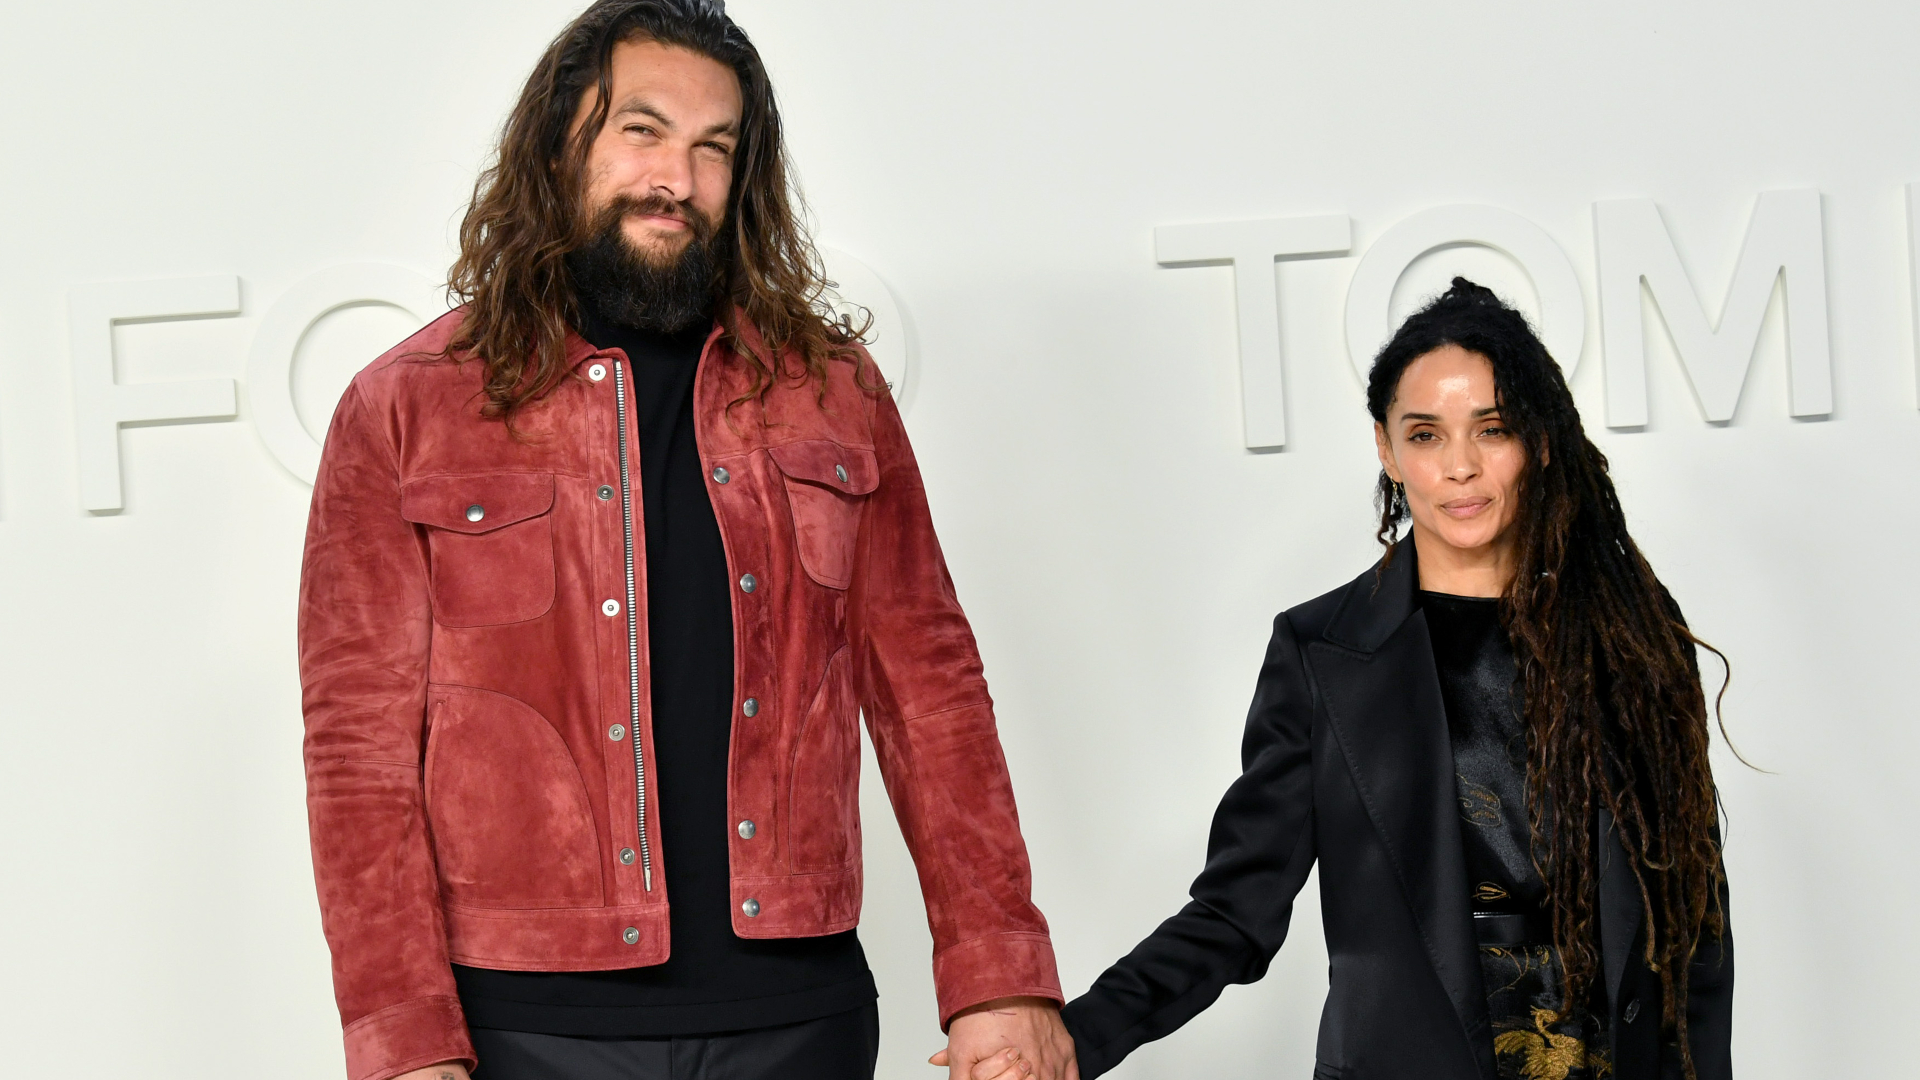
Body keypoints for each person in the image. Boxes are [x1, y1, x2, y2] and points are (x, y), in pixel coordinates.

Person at [297, 4, 1070, 1079]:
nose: (679, 177)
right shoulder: (406, 407)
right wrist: (401, 1040)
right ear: (559, 143)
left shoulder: (833, 393)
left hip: (799, 1017)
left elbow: (930, 695)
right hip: (529, 1031)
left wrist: (1002, 980)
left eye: (716, 147)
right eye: (643, 132)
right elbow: (359, 756)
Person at [978, 278, 1734, 1080]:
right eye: (1427, 435)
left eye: (1493, 429)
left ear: (1539, 442)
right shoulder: (1320, 653)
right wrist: (1077, 1036)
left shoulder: (1633, 643)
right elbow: (1237, 911)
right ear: (1387, 449)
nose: (1462, 467)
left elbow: (1694, 928)